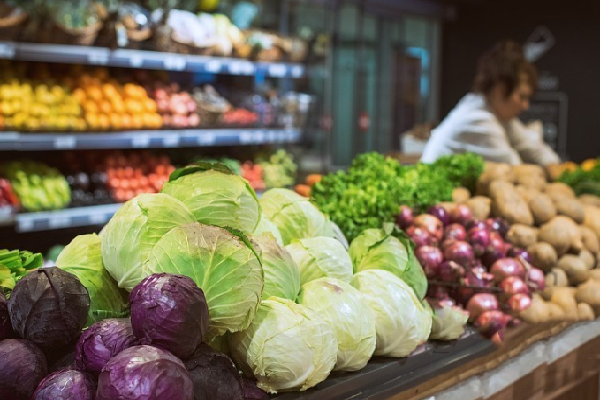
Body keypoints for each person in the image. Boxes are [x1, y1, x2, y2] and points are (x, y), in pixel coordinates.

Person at [421, 41, 560, 165]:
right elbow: (515, 170)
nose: (525, 105)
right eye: (522, 97)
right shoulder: (477, 119)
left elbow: (534, 149)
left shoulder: (496, 114)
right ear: (500, 89)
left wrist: (561, 170)